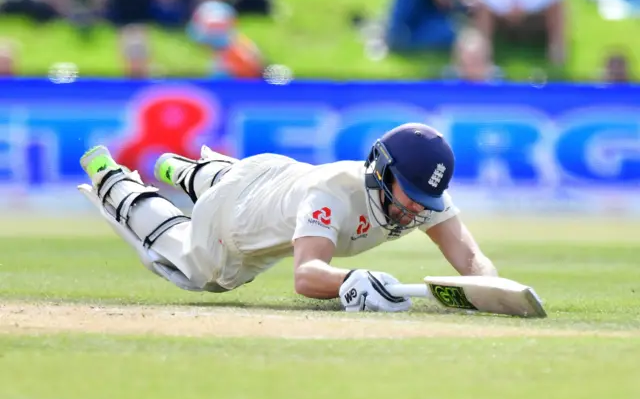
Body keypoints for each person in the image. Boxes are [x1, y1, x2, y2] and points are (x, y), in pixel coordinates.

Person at [77, 123, 498, 313]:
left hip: (269, 173)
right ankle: (112, 178)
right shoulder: (334, 195)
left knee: (229, 181)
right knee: (196, 272)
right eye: (413, 195)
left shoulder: (419, 194)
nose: (418, 210)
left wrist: (490, 287)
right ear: (383, 171)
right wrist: (350, 281)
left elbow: (469, 256)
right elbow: (307, 275)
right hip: (236, 227)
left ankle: (179, 169)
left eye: (429, 199)